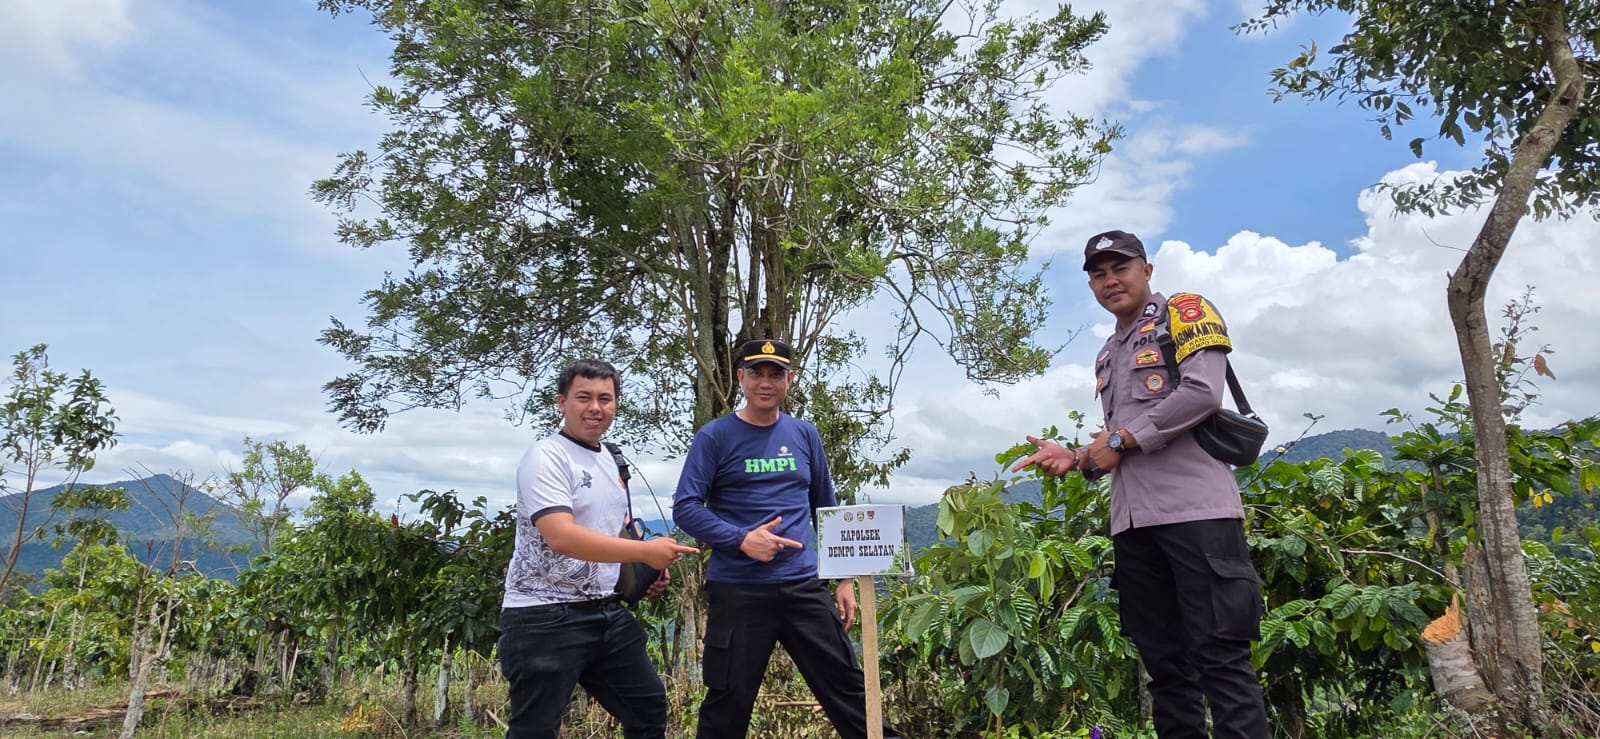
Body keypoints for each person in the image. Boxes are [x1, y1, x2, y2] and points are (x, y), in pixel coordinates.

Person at [1012, 231, 1271, 739]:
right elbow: (1114, 449)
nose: (1110, 281)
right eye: (1098, 273)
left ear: (1146, 270)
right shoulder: (1108, 354)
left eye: (1120, 268)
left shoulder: (1187, 312)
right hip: (1134, 524)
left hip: (1197, 514)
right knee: (1166, 670)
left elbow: (1201, 393)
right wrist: (1079, 457)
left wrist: (1122, 438)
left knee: (1221, 660)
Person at [673, 339, 901, 739]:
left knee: (849, 688)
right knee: (727, 703)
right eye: (756, 372)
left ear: (789, 380)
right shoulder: (715, 437)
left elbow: (826, 509)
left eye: (776, 373)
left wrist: (844, 578)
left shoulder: (804, 434)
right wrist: (742, 539)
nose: (766, 382)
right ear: (740, 377)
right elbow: (686, 508)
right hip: (739, 590)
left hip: (803, 586)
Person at [498, 359, 699, 739]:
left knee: (647, 708)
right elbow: (561, 535)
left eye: (605, 399)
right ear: (561, 402)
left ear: (615, 404)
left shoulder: (611, 458)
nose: (595, 407)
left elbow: (618, 527)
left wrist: (647, 566)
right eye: (583, 397)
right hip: (543, 615)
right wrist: (643, 554)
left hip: (605, 612)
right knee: (535, 729)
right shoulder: (547, 457)